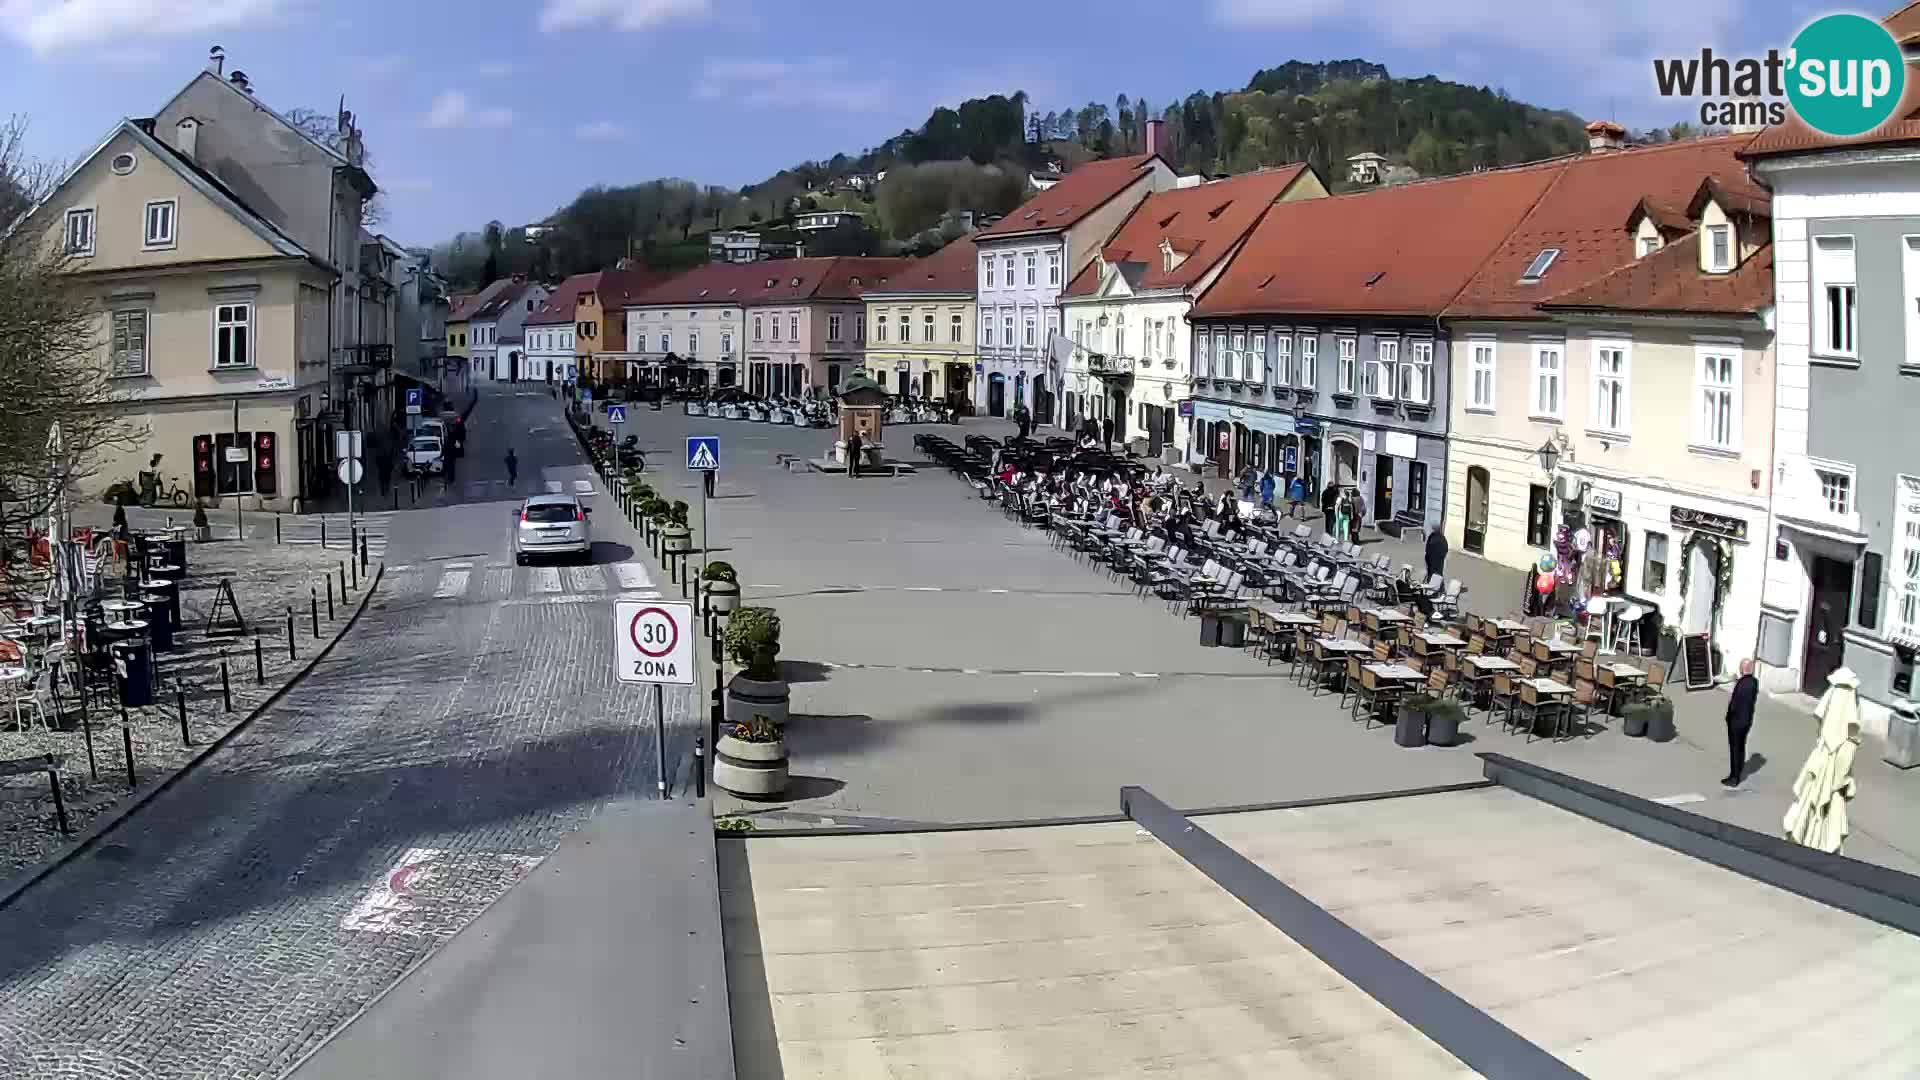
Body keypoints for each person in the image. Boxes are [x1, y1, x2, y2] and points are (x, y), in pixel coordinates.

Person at [1723, 658, 1759, 786]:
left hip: (1736, 721)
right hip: (1746, 721)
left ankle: (1734, 777)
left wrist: (1728, 717)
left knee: (1735, 749)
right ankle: (1739, 770)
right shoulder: (1754, 682)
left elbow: (1734, 704)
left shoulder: (1741, 684)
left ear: (1743, 669)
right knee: (1741, 746)